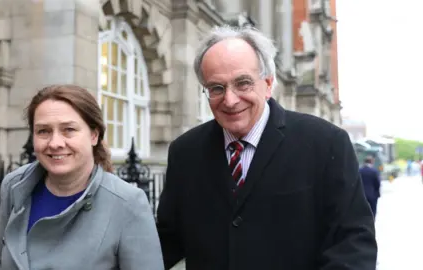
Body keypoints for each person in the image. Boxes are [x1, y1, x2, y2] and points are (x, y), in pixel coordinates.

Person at [156, 25, 377, 270]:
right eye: (216, 88)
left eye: (243, 83)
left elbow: (353, 244)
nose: (230, 100)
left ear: (268, 84)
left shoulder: (325, 143)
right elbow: (165, 242)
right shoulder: (185, 152)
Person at [0, 84, 164, 269]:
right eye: (43, 131)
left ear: (94, 135)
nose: (55, 143)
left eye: (69, 130)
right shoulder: (15, 186)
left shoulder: (128, 202)